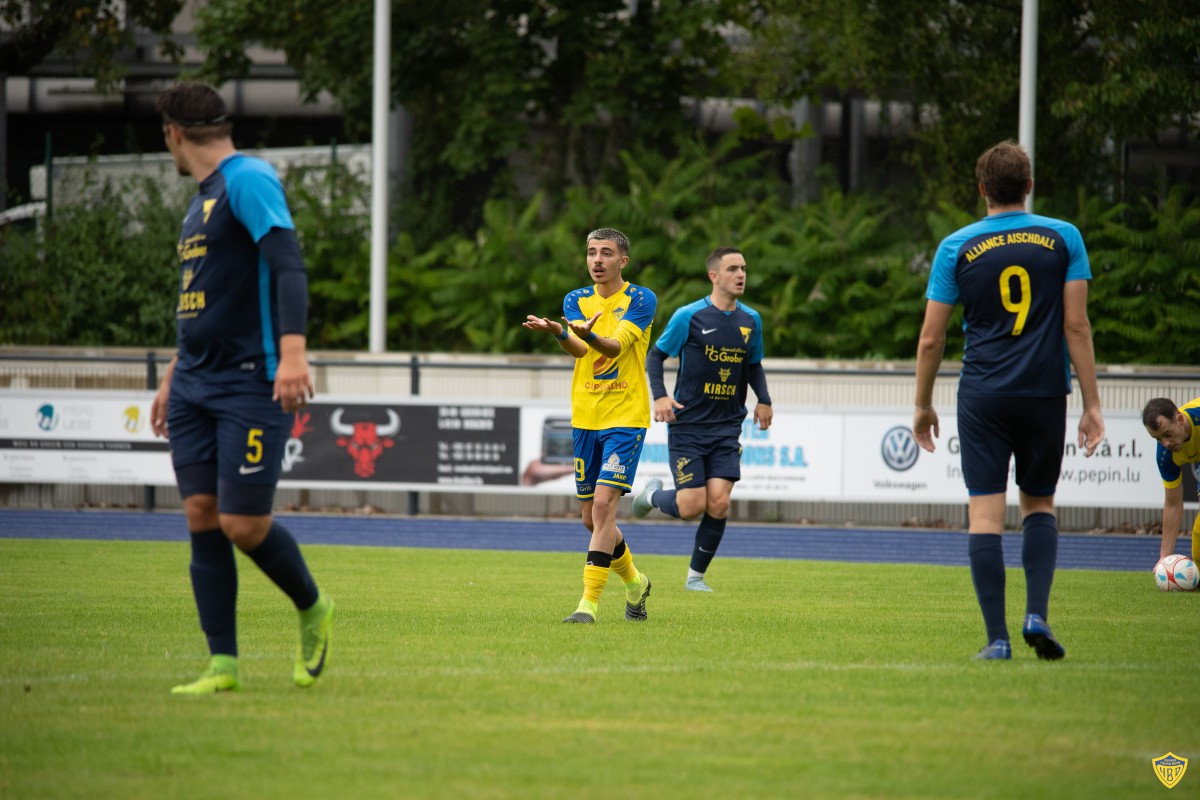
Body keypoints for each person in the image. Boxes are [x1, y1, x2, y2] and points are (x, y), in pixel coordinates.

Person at [149, 82, 334, 693]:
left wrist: (293, 352)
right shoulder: (201, 201)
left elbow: (287, 262)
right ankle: (222, 665)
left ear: (175, 133)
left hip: (250, 380)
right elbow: (202, 298)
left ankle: (312, 606)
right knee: (201, 515)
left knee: (243, 524)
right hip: (194, 382)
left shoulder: (246, 178)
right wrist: (174, 373)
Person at [912, 140, 1104, 661]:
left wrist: (922, 404)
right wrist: (1092, 403)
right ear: (1029, 186)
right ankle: (1036, 613)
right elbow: (1076, 325)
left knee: (985, 516)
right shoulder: (1064, 237)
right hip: (1044, 390)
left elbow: (932, 338)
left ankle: (997, 639)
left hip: (983, 395)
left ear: (981, 190)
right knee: (1039, 504)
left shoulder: (956, 247)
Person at [522, 228, 656, 623]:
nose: (597, 260)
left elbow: (614, 347)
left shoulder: (641, 298)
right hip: (585, 418)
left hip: (626, 418)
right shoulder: (576, 299)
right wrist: (563, 333)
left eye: (606, 253)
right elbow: (580, 349)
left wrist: (590, 333)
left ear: (622, 261)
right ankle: (635, 582)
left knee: (603, 507)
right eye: (591, 252)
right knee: (591, 519)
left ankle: (588, 605)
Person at [630, 247, 773, 591]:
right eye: (733, 269)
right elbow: (656, 356)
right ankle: (651, 496)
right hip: (689, 426)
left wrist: (764, 400)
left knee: (720, 502)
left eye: (744, 269)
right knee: (692, 505)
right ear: (714, 276)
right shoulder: (689, 317)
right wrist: (661, 395)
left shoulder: (750, 320)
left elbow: (753, 365)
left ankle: (696, 578)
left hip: (727, 427)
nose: (741, 275)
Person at [1141, 397, 1200, 562]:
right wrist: (1164, 558)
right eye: (1158, 439)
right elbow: (1173, 504)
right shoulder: (1165, 455)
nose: (1165, 443)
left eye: (1167, 434)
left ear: (1180, 419)